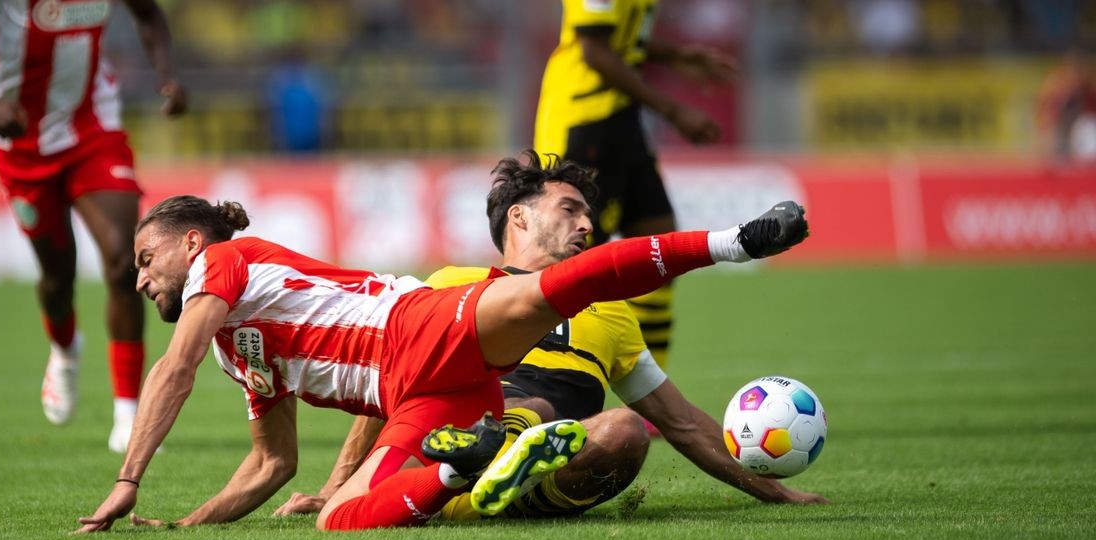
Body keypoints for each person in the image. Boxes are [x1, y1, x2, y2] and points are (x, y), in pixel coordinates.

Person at [74, 151, 810, 533]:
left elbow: (174, 366)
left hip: (415, 329)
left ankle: (737, 241)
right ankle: (469, 468)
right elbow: (272, 461)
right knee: (342, 521)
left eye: (146, 261)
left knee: (560, 292)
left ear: (192, 243)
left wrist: (130, 476)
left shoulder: (224, 263)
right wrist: (183, 522)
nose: (140, 280)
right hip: (427, 401)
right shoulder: (246, 351)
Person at [276, 152, 826, 521]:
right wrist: (337, 488)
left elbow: (680, 422)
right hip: (452, 439)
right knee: (533, 405)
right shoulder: (450, 284)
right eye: (570, 209)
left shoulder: (611, 312)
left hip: (543, 481)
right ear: (518, 218)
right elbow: (384, 392)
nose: (587, 224)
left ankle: (503, 472)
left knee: (626, 431)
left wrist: (775, 491)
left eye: (588, 214)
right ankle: (480, 459)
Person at [0, 0, 188, 452]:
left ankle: (129, 413)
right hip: (19, 139)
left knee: (126, 258)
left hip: (93, 131)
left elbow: (148, 14)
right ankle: (64, 350)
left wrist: (167, 75)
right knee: (57, 274)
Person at [535, 0, 737, 370]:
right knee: (567, 265)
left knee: (658, 246)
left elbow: (622, 41)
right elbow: (594, 51)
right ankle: (545, 381)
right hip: (582, 126)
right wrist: (673, 110)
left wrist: (674, 55)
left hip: (622, 124)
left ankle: (653, 385)